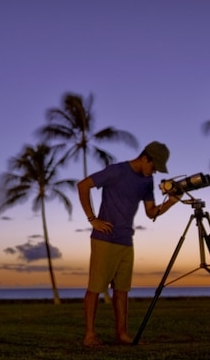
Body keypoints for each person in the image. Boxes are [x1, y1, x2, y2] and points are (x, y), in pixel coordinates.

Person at [77, 141, 181, 348]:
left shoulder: (146, 182)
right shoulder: (116, 171)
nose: (153, 172)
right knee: (95, 288)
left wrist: (170, 202)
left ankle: (122, 334)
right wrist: (92, 219)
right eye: (153, 167)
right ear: (145, 158)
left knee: (122, 290)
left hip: (126, 240)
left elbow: (151, 212)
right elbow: (83, 186)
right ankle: (89, 335)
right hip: (104, 239)